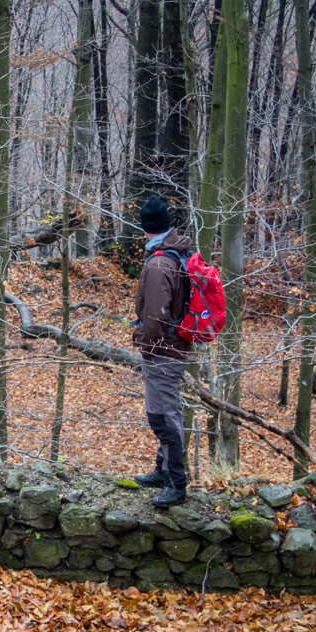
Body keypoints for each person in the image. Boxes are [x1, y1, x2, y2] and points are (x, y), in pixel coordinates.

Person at [132, 195, 192, 508]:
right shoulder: (178, 252)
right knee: (166, 412)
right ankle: (163, 470)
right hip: (174, 347)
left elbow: (154, 318)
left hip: (163, 351)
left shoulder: (158, 263)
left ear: (145, 228)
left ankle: (176, 484)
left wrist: (144, 345)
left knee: (163, 417)